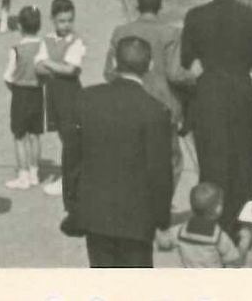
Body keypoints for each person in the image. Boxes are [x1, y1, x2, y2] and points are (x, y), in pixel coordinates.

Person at [62, 35, 175, 269]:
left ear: (114, 62)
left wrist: (73, 206)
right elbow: (160, 172)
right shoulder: (155, 111)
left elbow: (71, 158)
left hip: (95, 215)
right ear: (150, 66)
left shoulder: (86, 99)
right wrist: (162, 220)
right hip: (137, 220)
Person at [181, 0, 252, 234]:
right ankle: (240, 223)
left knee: (211, 161)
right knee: (242, 161)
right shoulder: (250, 18)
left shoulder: (196, 17)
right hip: (241, 94)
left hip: (209, 94)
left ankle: (212, 223)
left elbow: (187, 60)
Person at [104, 0, 189, 197]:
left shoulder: (121, 32)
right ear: (160, 5)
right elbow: (175, 73)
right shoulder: (171, 33)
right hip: (163, 105)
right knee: (171, 159)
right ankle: (162, 200)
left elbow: (109, 72)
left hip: (128, 105)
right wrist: (195, 75)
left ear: (137, 4)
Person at [37, 0, 86, 197]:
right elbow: (38, 67)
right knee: (61, 133)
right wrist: (55, 66)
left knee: (70, 135)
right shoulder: (47, 39)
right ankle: (71, 174)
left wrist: (49, 64)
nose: (66, 25)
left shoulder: (76, 41)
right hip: (53, 92)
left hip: (70, 93)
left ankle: (69, 179)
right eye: (62, 21)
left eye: (69, 20)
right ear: (53, 19)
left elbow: (71, 69)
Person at [4, 5, 46, 191]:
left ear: (20, 26)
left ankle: (23, 175)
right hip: (37, 93)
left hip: (20, 94)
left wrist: (13, 88)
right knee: (35, 135)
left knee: (19, 136)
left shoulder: (16, 50)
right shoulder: (43, 47)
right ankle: (35, 173)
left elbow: (8, 76)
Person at [168, 182, 243, 268]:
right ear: (218, 209)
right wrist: (243, 245)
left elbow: (165, 241)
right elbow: (234, 260)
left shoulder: (180, 231)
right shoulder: (218, 236)